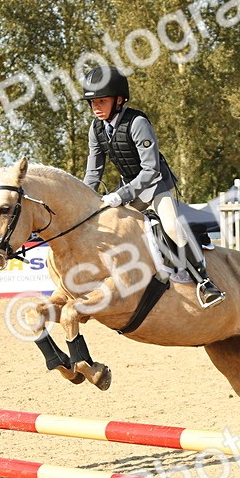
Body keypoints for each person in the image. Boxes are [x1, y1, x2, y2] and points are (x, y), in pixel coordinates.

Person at [80, 66, 225, 308]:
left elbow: (151, 170)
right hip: (129, 189)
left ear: (119, 100)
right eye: (93, 102)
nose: (96, 107)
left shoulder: (137, 122)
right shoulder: (96, 129)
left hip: (156, 186)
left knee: (172, 226)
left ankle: (205, 282)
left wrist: (121, 195)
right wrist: (84, 201)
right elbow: (93, 172)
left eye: (102, 101)